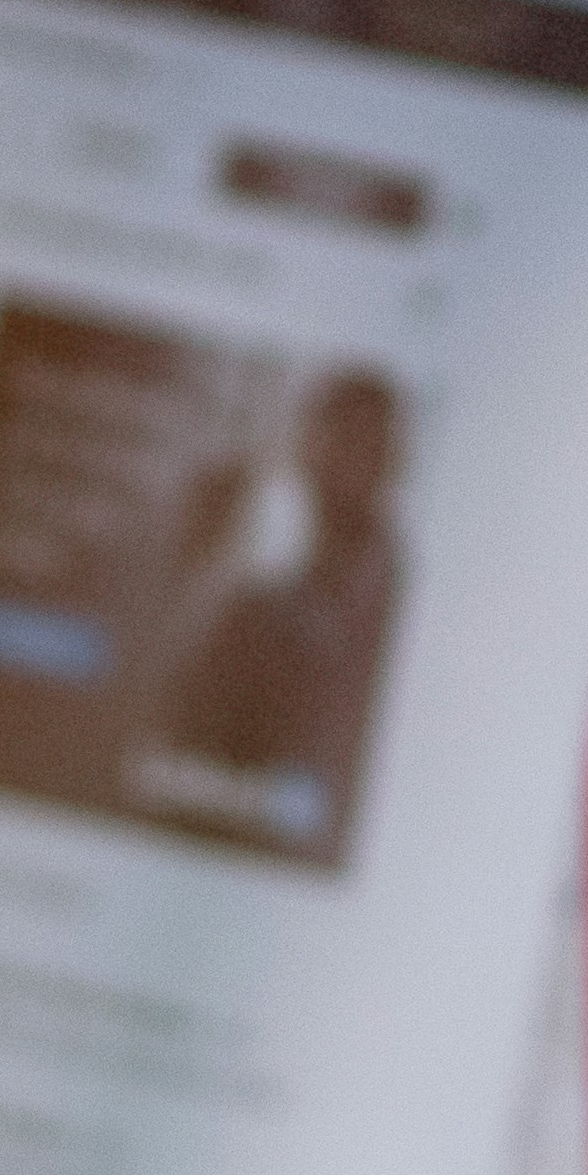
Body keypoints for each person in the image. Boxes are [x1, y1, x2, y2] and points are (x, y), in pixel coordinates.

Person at [149, 364, 408, 849]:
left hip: (307, 821)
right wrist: (244, 560)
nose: (359, 463)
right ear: (309, 439)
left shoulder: (388, 564)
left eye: (375, 448)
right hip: (190, 785)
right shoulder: (230, 501)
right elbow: (167, 664)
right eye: (342, 438)